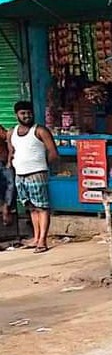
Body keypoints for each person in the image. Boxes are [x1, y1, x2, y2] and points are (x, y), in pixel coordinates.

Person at [8, 101, 58, 253]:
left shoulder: (40, 131)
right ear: (16, 115)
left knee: (42, 207)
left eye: (29, 113)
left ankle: (42, 241)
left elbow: (53, 153)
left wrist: (42, 167)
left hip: (37, 174)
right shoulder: (12, 132)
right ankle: (36, 238)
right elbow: (12, 151)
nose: (27, 116)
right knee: (31, 207)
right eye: (23, 113)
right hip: (20, 174)